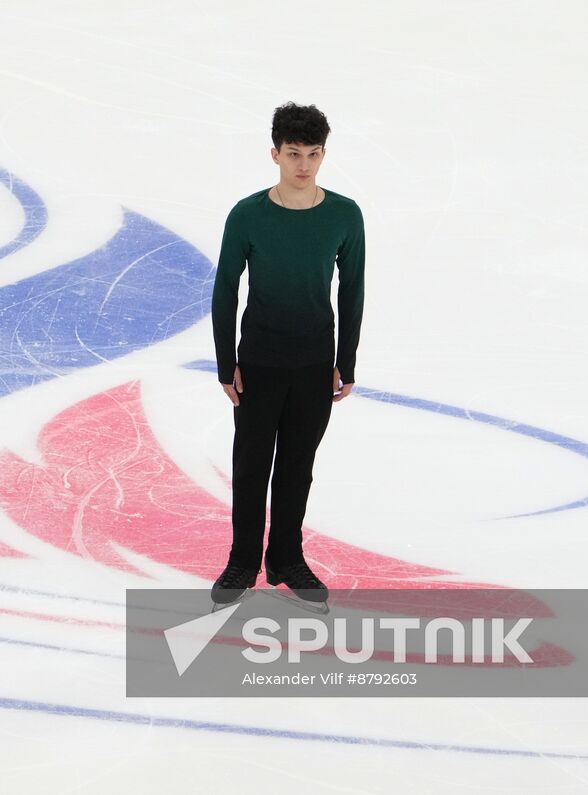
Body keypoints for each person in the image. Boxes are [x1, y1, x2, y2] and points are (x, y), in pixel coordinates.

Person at [208, 102, 365, 609]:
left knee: (298, 466)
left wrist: (348, 358)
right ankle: (242, 561)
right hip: (258, 362)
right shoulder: (248, 214)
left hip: (315, 363)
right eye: (293, 153)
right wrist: (223, 359)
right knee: (252, 464)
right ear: (275, 153)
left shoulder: (345, 215)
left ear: (323, 155)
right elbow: (225, 288)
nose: (303, 165)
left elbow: (353, 289)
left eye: (313, 154)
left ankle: (287, 558)